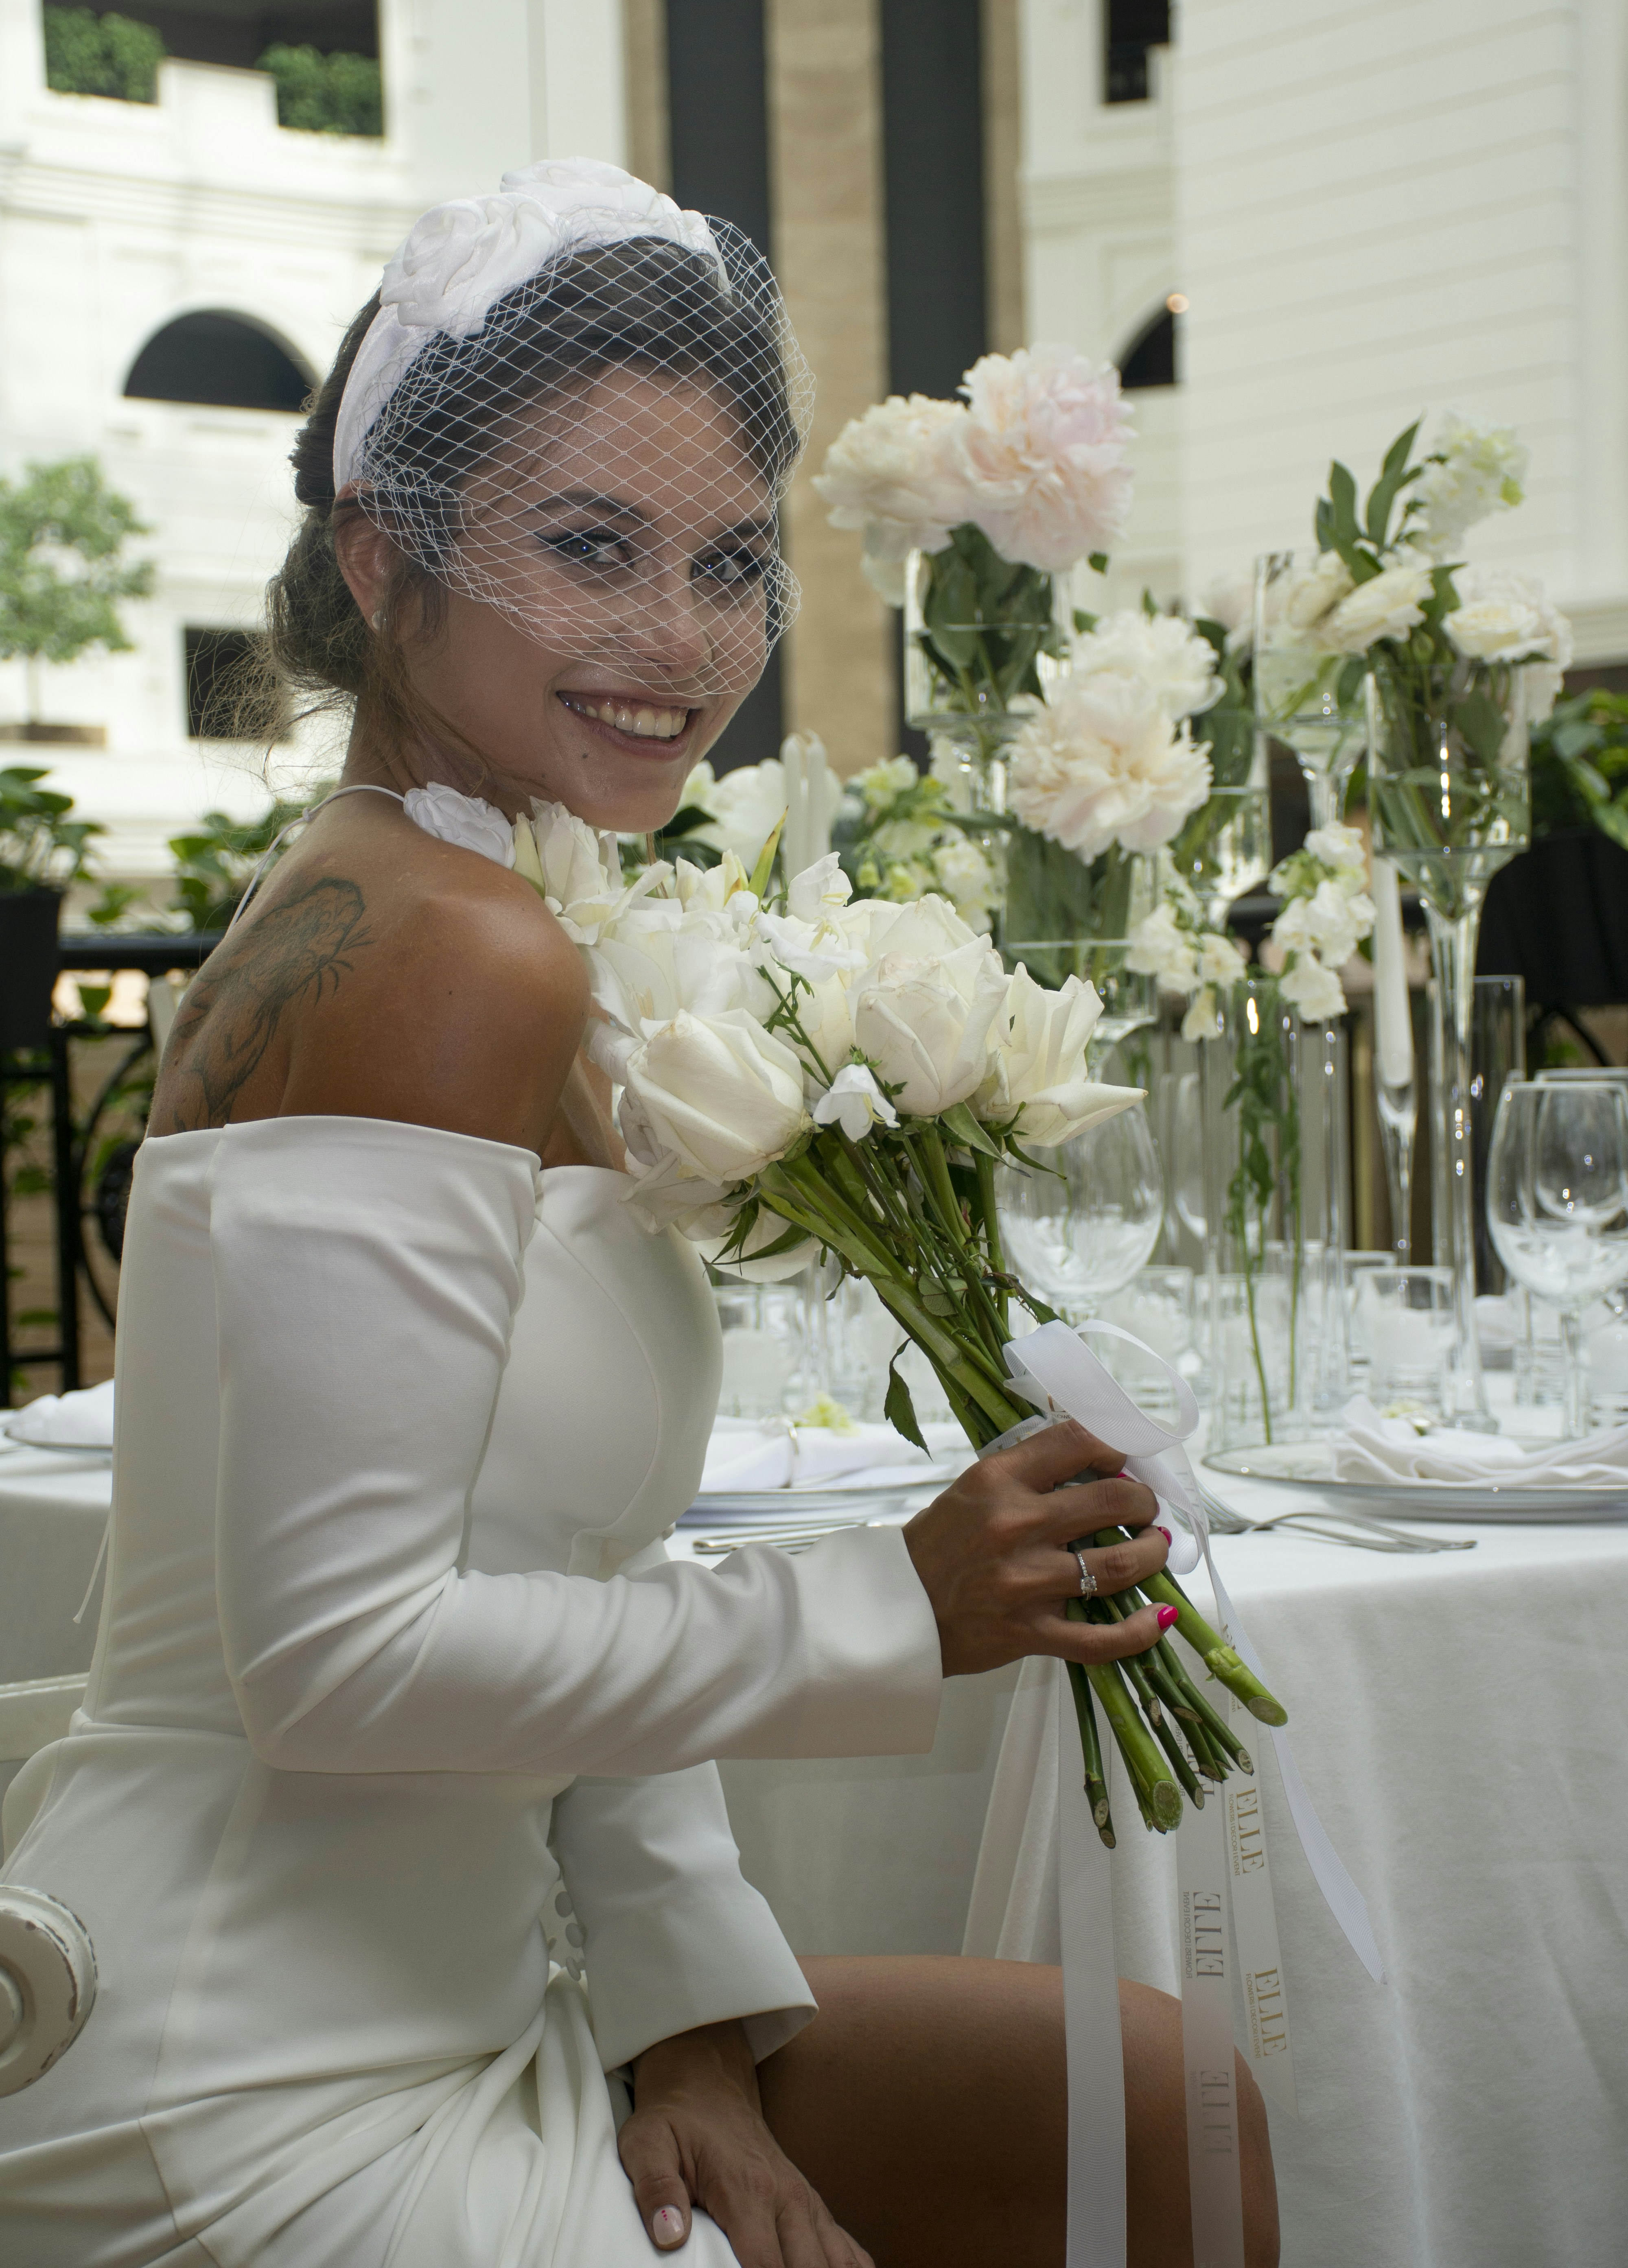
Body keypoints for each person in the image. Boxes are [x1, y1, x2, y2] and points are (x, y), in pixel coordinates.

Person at [0, 161, 1276, 2268]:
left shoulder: (484, 895)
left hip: (494, 1993)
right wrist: (896, 1606)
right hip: (256, 2089)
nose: (681, 644)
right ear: (379, 558)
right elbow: (337, 1663)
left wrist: (682, 2018)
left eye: (727, 559)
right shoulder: (444, 954)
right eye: (590, 549)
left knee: (1168, 2120)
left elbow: (564, 1563)